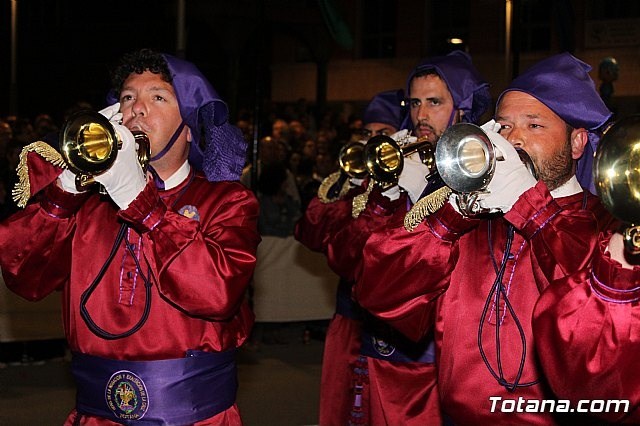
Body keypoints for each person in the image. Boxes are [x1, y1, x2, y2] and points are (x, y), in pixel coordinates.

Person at [0, 48, 260, 425]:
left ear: (188, 128)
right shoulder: (88, 204)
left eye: (157, 97)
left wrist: (144, 206)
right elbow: (23, 277)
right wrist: (64, 194)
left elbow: (217, 292)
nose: (136, 109)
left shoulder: (229, 201)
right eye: (126, 97)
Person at [354, 52, 617, 424]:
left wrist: (533, 210)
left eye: (535, 126)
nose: (515, 141)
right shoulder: (469, 217)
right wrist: (450, 217)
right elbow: (378, 293)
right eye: (505, 127)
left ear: (576, 143)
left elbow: (600, 326)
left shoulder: (606, 223)